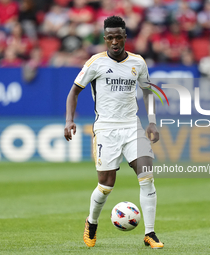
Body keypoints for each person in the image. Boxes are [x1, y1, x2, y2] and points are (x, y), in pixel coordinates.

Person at [64, 15, 164, 249]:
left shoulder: (138, 62)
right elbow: (73, 92)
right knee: (106, 185)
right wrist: (69, 120)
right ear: (105, 39)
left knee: (147, 176)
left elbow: (148, 91)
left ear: (125, 37)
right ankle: (92, 221)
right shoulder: (95, 63)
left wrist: (152, 121)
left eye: (118, 37)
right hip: (106, 129)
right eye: (110, 38)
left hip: (132, 127)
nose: (114, 42)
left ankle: (150, 233)